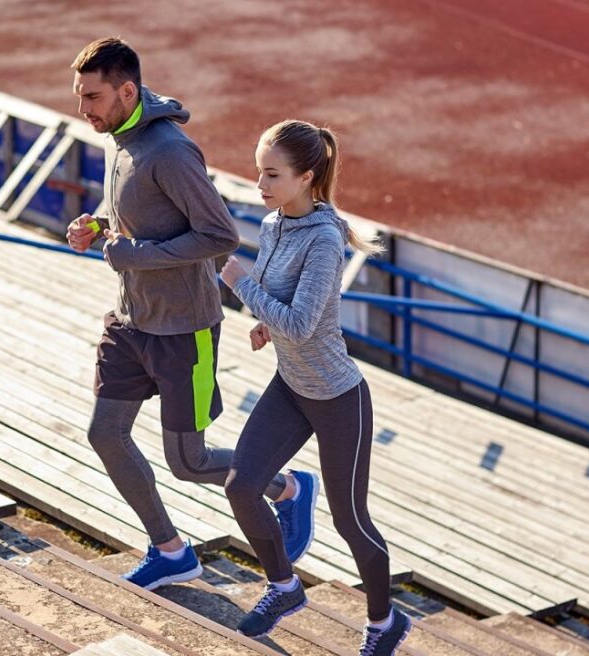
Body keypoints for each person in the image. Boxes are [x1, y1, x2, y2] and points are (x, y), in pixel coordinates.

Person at [65, 38, 319, 591]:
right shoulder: (121, 136)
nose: (84, 108)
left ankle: (289, 488)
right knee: (106, 433)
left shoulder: (171, 152)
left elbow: (218, 235)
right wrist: (100, 226)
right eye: (80, 96)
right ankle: (171, 550)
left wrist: (134, 254)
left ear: (127, 91)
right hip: (131, 319)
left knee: (189, 461)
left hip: (185, 329)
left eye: (93, 96)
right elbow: (141, 213)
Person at [219, 120, 411, 654]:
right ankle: (283, 586)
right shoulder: (277, 221)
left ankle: (383, 623)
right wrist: (263, 319)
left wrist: (238, 283)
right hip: (291, 385)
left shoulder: (325, 239)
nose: (260, 184)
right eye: (259, 171)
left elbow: (302, 323)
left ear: (306, 177)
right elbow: (284, 302)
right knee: (241, 484)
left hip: (336, 397)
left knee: (351, 522)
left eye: (272, 174)